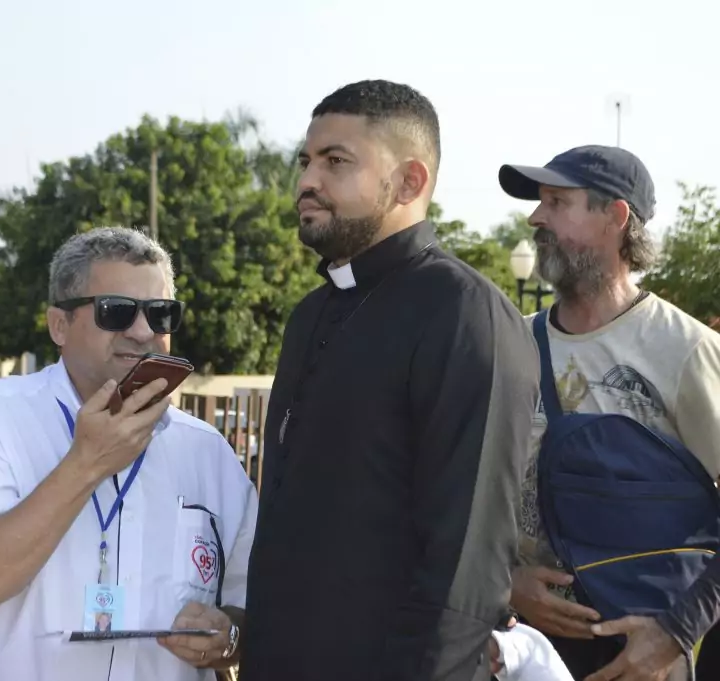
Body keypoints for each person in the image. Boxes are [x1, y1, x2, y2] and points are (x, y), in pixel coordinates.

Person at [238, 79, 541, 681]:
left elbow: (467, 562)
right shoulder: (309, 316)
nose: (306, 180)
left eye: (336, 162)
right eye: (305, 161)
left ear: (409, 182)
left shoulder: (464, 315)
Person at [0, 226, 257, 681]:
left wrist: (228, 637)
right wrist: (87, 464)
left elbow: (254, 609)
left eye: (160, 314)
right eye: (116, 312)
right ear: (60, 324)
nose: (142, 331)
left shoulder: (207, 451)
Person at [498, 145, 720, 681]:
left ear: (615, 217)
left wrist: (675, 633)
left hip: (645, 657)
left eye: (556, 201)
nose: (535, 217)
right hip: (529, 650)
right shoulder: (511, 343)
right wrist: (507, 581)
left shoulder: (684, 350)